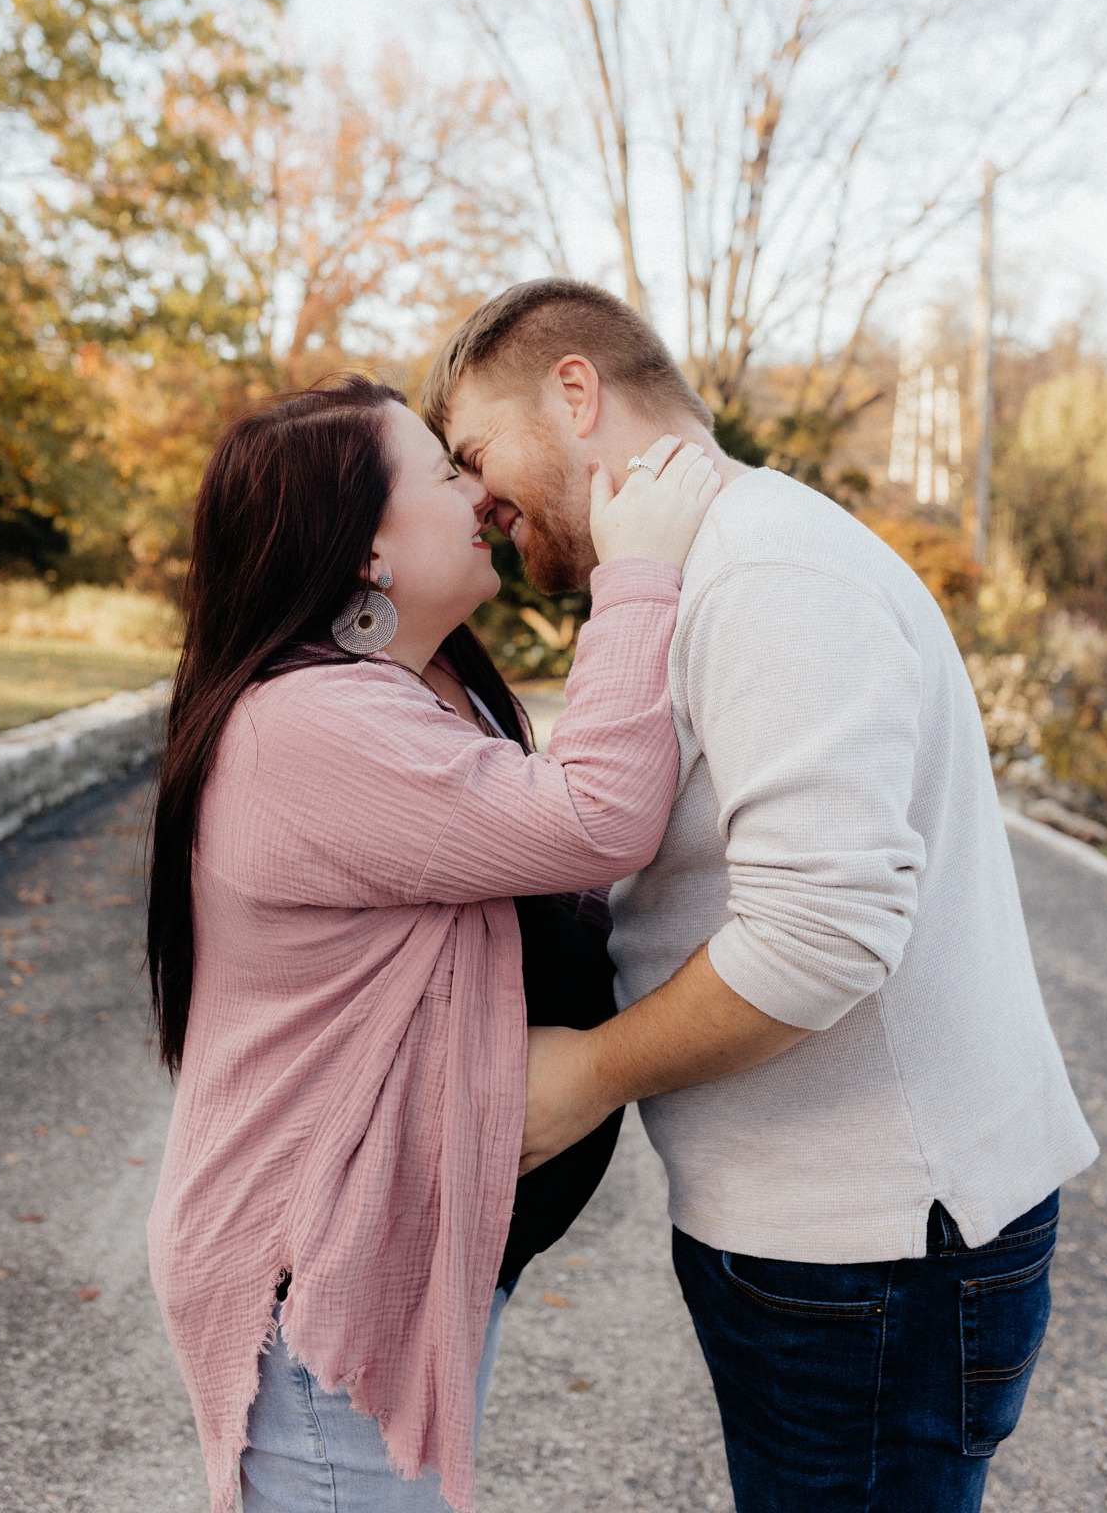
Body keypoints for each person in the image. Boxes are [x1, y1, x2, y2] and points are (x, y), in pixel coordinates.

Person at [423, 277, 1099, 1513]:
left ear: (577, 391)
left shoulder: (767, 572)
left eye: (474, 452)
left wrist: (587, 1073)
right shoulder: (704, 568)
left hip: (880, 1251)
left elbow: (823, 929)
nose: (475, 501)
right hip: (839, 1246)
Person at [144, 374, 720, 1513]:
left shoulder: (426, 685)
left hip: (396, 1258)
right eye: (444, 470)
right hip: (321, 1278)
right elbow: (594, 818)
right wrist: (636, 576)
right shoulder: (308, 724)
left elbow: (551, 862)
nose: (480, 492)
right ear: (366, 550)